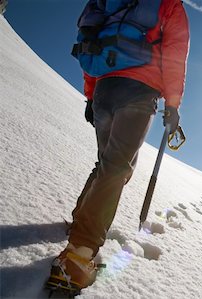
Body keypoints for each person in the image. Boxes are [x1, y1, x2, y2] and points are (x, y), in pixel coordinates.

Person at [47, 0, 189, 293]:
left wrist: (91, 94)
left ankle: (80, 223)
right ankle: (78, 257)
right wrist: (173, 104)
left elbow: (93, 44)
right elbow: (175, 54)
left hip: (105, 90)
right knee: (116, 168)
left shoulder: (107, 2)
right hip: (139, 92)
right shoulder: (168, 5)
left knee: (107, 164)